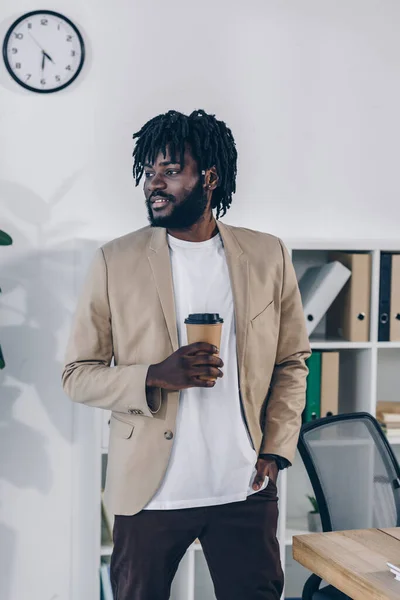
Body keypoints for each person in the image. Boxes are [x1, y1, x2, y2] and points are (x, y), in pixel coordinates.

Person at [62, 109, 311, 600]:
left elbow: (291, 361)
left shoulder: (267, 255)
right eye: (150, 172)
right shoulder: (116, 260)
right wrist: (154, 374)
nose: (155, 184)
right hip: (150, 493)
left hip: (244, 489)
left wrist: (277, 452)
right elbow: (76, 375)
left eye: (171, 171)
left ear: (209, 178)